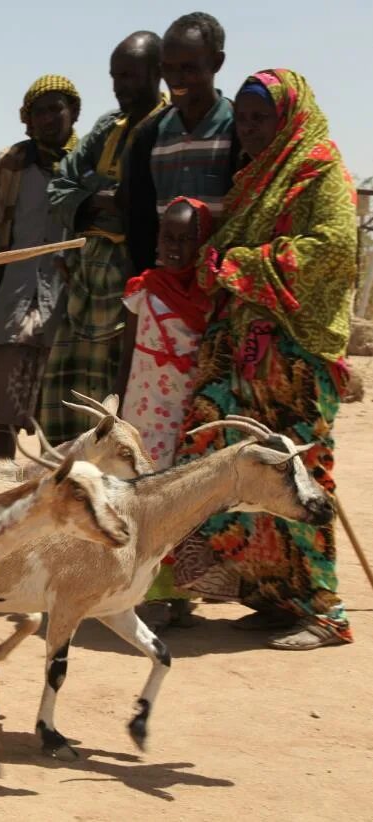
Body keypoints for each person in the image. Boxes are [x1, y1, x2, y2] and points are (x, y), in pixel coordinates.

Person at [172, 70, 358, 650]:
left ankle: (326, 612)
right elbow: (221, 249)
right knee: (233, 461)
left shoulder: (319, 172)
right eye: (245, 119)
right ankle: (275, 597)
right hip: (244, 351)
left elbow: (332, 249)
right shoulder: (256, 179)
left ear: (290, 120)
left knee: (297, 474)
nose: (249, 130)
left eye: (262, 119)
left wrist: (243, 264)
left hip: (295, 356)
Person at [40, 32, 167, 444]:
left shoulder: (168, 127)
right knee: (68, 391)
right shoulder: (107, 126)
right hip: (85, 281)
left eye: (129, 75)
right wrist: (101, 196)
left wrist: (111, 199)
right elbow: (59, 187)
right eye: (115, 76)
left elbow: (143, 205)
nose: (119, 86)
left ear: (156, 72)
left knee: (118, 391)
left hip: (130, 277)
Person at [0, 75, 80, 459]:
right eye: (40, 111)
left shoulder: (84, 163)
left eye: (57, 108)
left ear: (74, 112)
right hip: (14, 298)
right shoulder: (11, 163)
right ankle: (0, 486)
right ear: (28, 119)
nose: (49, 118)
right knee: (4, 413)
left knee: (59, 413)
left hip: (65, 300)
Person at [119, 197, 214, 620]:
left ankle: (177, 594)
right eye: (167, 237)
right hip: (139, 410)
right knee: (139, 493)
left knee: (175, 500)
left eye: (185, 239)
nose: (174, 247)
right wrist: (115, 407)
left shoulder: (209, 303)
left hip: (179, 417)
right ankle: (136, 590)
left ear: (203, 243)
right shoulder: (143, 290)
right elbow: (123, 352)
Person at [121, 13, 241, 276]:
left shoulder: (239, 133)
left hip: (220, 293)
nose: (177, 80)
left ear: (217, 63)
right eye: (168, 69)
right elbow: (139, 222)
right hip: (165, 294)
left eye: (189, 68)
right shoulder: (149, 137)